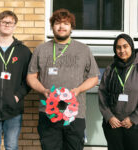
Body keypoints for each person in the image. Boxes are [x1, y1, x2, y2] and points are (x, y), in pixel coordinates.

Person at [27, 8, 99, 150]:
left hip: (75, 114)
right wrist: (44, 90)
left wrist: (78, 90)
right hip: (48, 113)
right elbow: (31, 76)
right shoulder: (41, 50)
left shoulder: (83, 49)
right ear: (52, 26)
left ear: (71, 27)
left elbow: (94, 77)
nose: (61, 27)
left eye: (66, 23)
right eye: (57, 23)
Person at [0, 10, 31, 150]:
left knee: (12, 146)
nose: (7, 25)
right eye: (3, 22)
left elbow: (29, 79)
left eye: (10, 22)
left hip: (13, 109)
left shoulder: (23, 52)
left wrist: (17, 97)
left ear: (15, 25)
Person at [99, 33, 138, 150]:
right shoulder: (110, 69)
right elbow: (102, 94)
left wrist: (133, 118)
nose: (122, 50)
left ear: (131, 47)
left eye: (125, 46)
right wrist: (109, 116)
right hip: (113, 125)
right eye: (118, 47)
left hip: (134, 125)